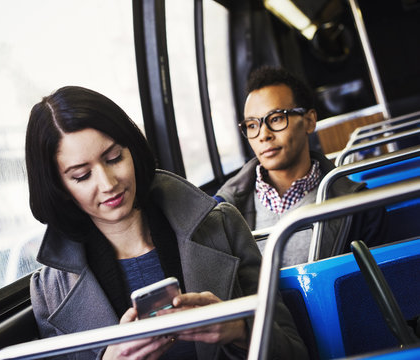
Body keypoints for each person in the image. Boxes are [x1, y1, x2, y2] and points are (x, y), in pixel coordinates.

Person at [25, 86, 308, 359]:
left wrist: (238, 329)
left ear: (132, 151)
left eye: (114, 158)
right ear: (59, 187)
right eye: (82, 176)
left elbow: (295, 352)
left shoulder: (222, 226)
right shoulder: (49, 290)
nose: (108, 183)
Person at [215, 66, 387, 266]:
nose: (264, 135)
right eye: (253, 125)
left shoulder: (362, 208)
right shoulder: (223, 211)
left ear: (309, 121)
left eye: (277, 118)